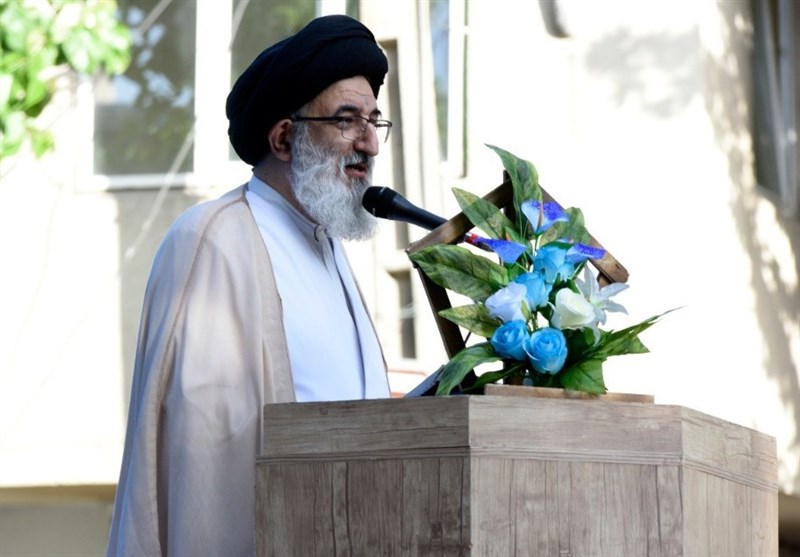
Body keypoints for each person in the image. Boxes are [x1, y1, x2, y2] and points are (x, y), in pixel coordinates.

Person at [105, 15, 392, 557]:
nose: (370, 144)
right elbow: (202, 457)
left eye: (374, 121)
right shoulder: (211, 239)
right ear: (284, 137)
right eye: (347, 120)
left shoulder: (329, 249)